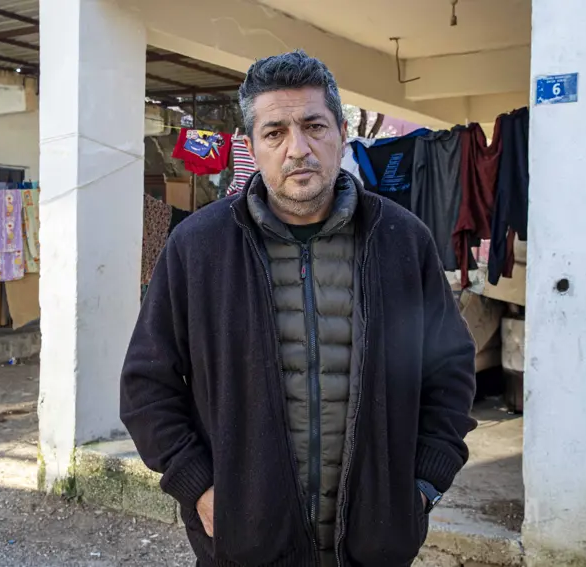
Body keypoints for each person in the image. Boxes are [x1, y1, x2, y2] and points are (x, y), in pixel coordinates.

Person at [120, 50, 477, 567]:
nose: (298, 148)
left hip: (377, 545)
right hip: (245, 547)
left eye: (314, 126)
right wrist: (197, 487)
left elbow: (450, 369)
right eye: (275, 133)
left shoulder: (402, 239)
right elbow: (146, 384)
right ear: (251, 147)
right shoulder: (198, 247)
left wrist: (424, 483)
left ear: (342, 134)